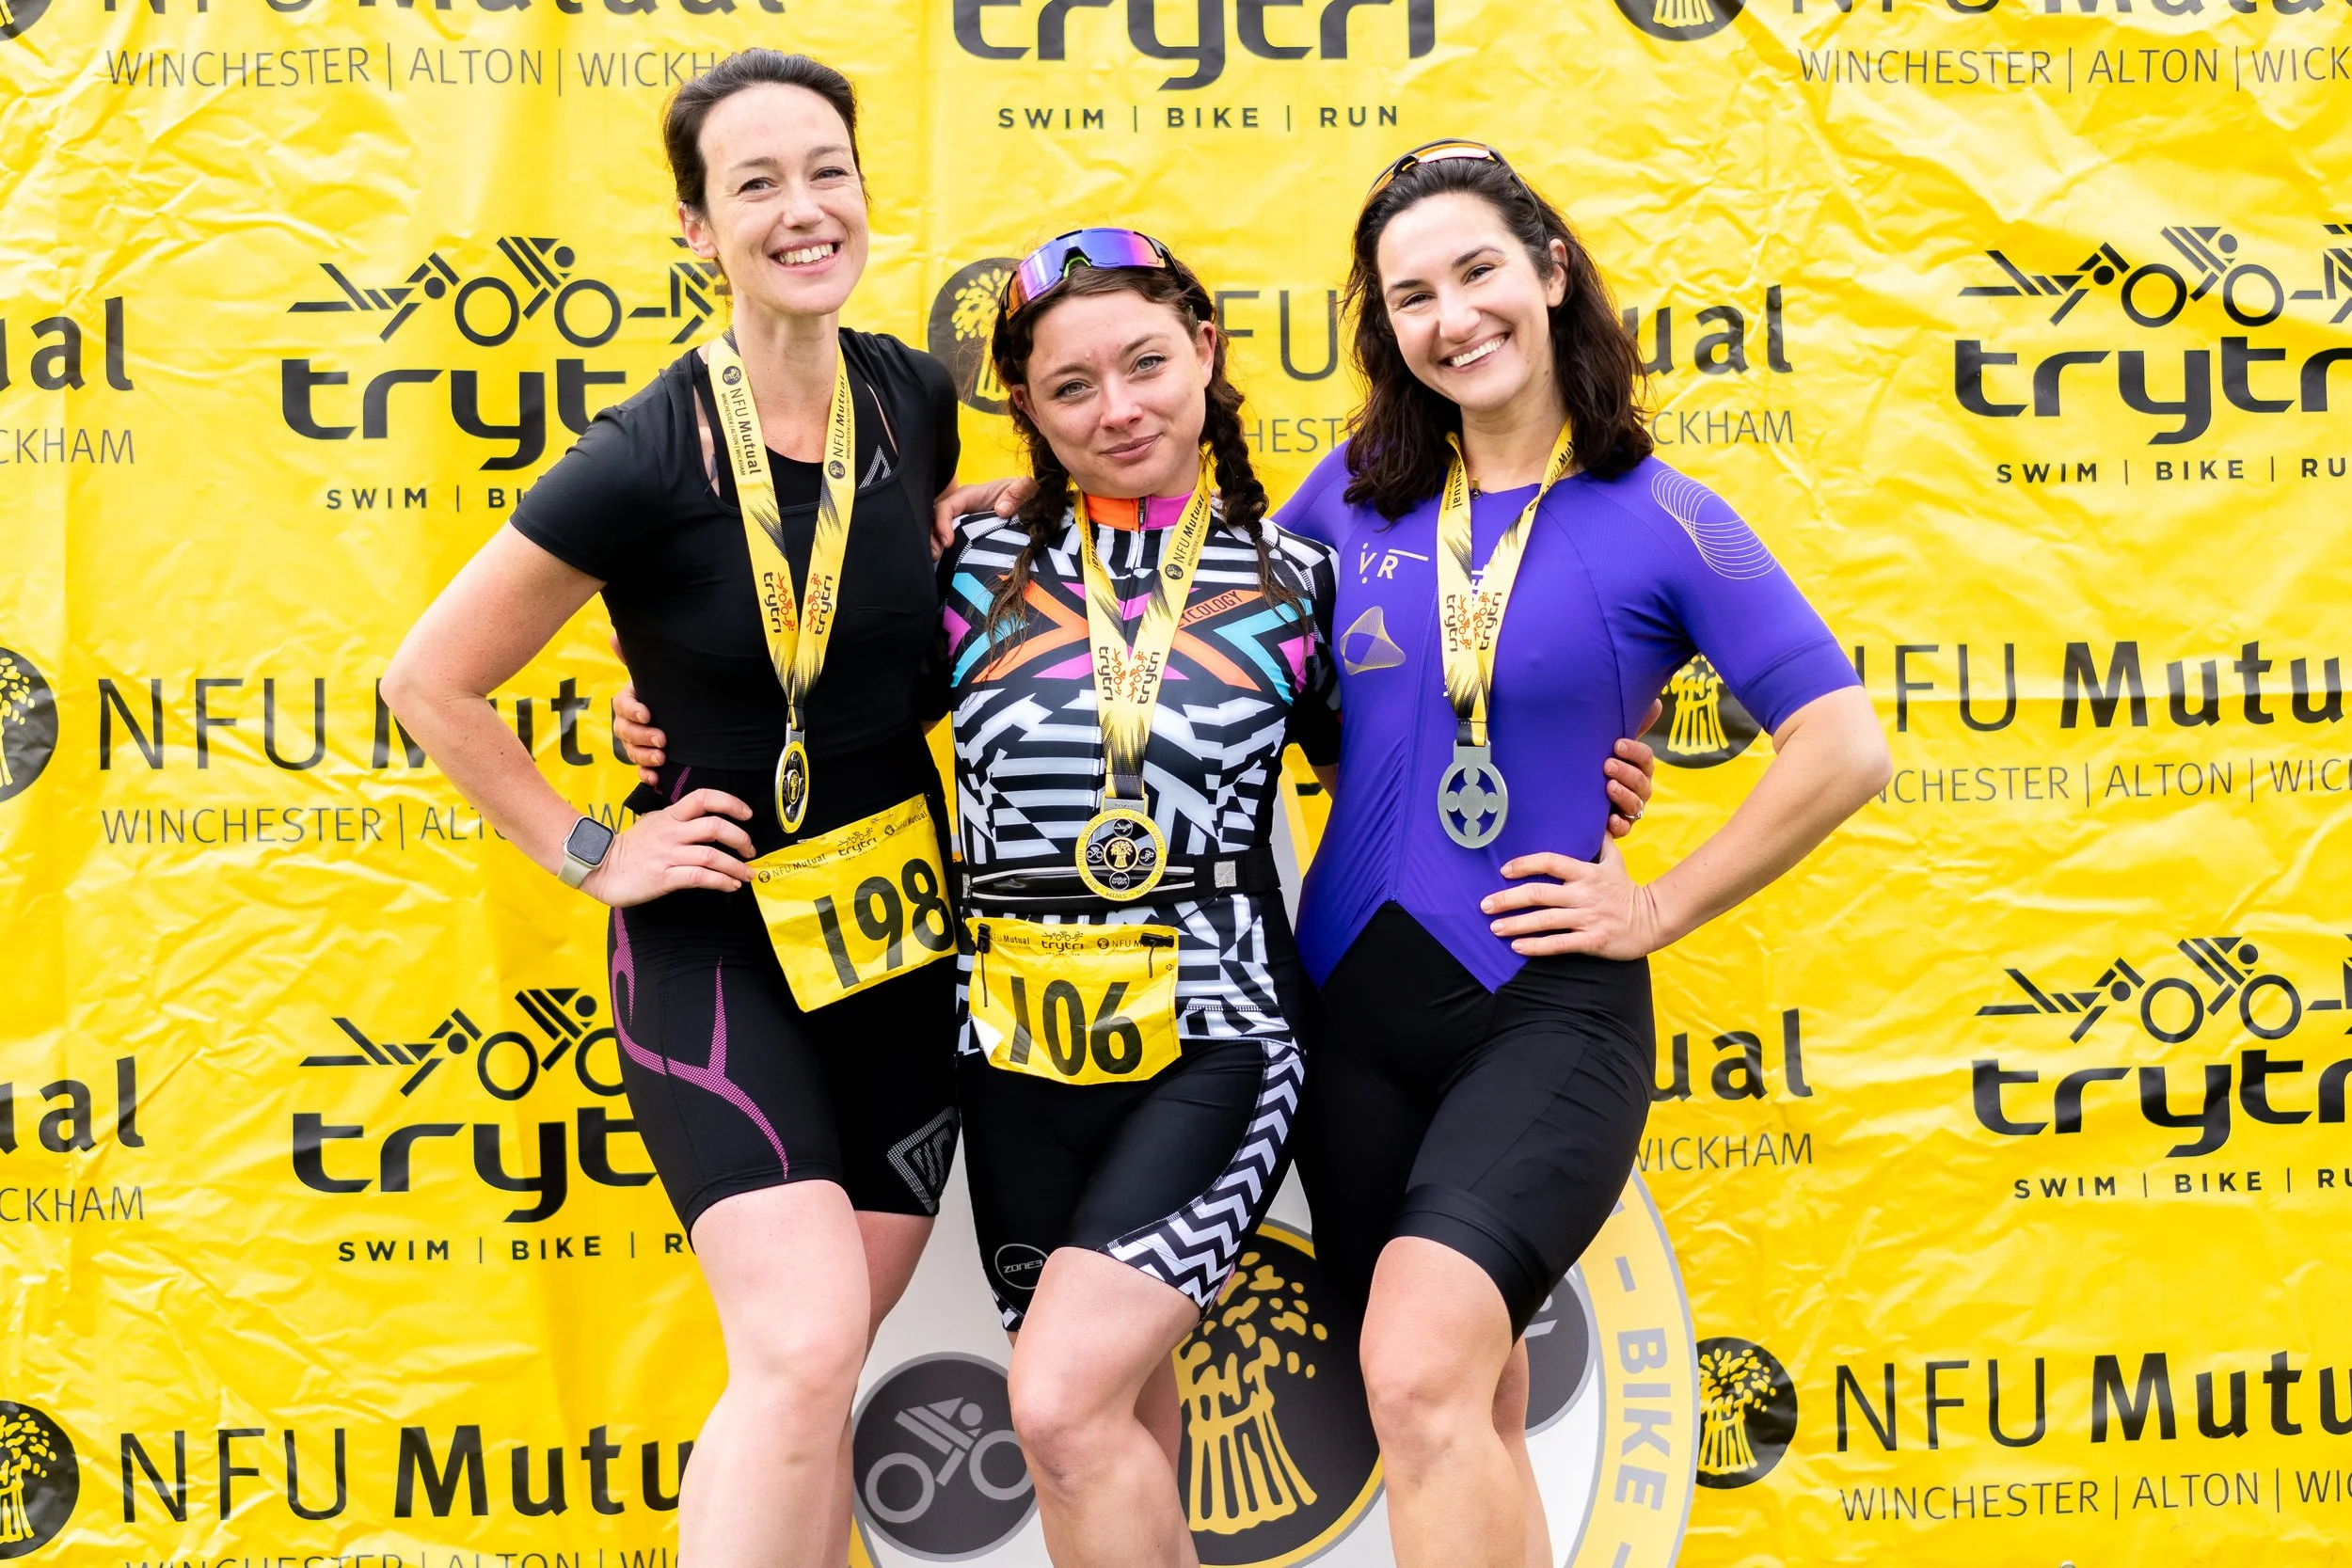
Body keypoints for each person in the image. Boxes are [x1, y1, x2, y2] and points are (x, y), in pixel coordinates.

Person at [381, 51, 1015, 1568]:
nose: (804, 210)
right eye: (756, 185)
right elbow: (430, 682)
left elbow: (871, 604)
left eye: (827, 171)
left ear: (865, 190)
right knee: (798, 1353)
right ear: (695, 230)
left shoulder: (912, 398)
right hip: (716, 944)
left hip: (901, 943)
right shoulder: (644, 451)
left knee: (810, 1372)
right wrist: (594, 847)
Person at [1278, 141, 1891, 1568]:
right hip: (1348, 1017)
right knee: (1454, 1401)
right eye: (1412, 293)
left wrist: (1661, 898)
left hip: (1543, 1002)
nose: (1453, 315)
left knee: (1421, 1373)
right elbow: (1186, 631)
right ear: (1388, 329)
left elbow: (1844, 745)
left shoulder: (1664, 514)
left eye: (1480, 270)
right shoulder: (1347, 498)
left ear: (1552, 275)